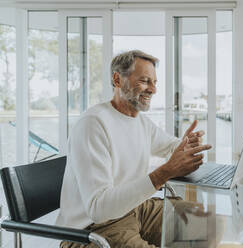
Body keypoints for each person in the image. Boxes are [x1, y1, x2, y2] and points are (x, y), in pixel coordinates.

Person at [57, 50, 212, 248]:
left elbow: (171, 147)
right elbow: (98, 209)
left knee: (203, 222)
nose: (153, 90)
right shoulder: (93, 124)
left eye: (154, 83)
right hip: (92, 229)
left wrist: (185, 145)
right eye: (145, 81)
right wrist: (163, 173)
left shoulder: (140, 122)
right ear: (117, 79)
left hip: (132, 210)